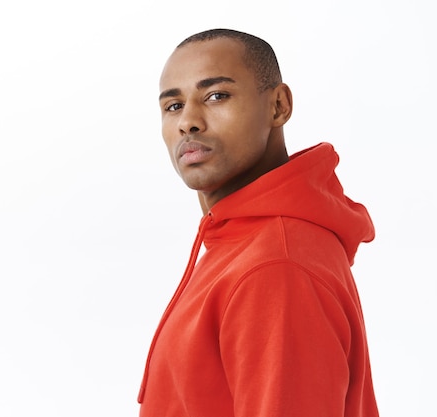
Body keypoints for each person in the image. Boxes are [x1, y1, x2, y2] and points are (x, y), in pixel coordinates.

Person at [137, 28, 379, 417]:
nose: (188, 122)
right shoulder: (241, 245)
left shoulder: (275, 265)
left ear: (278, 106)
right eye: (173, 106)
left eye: (217, 96)